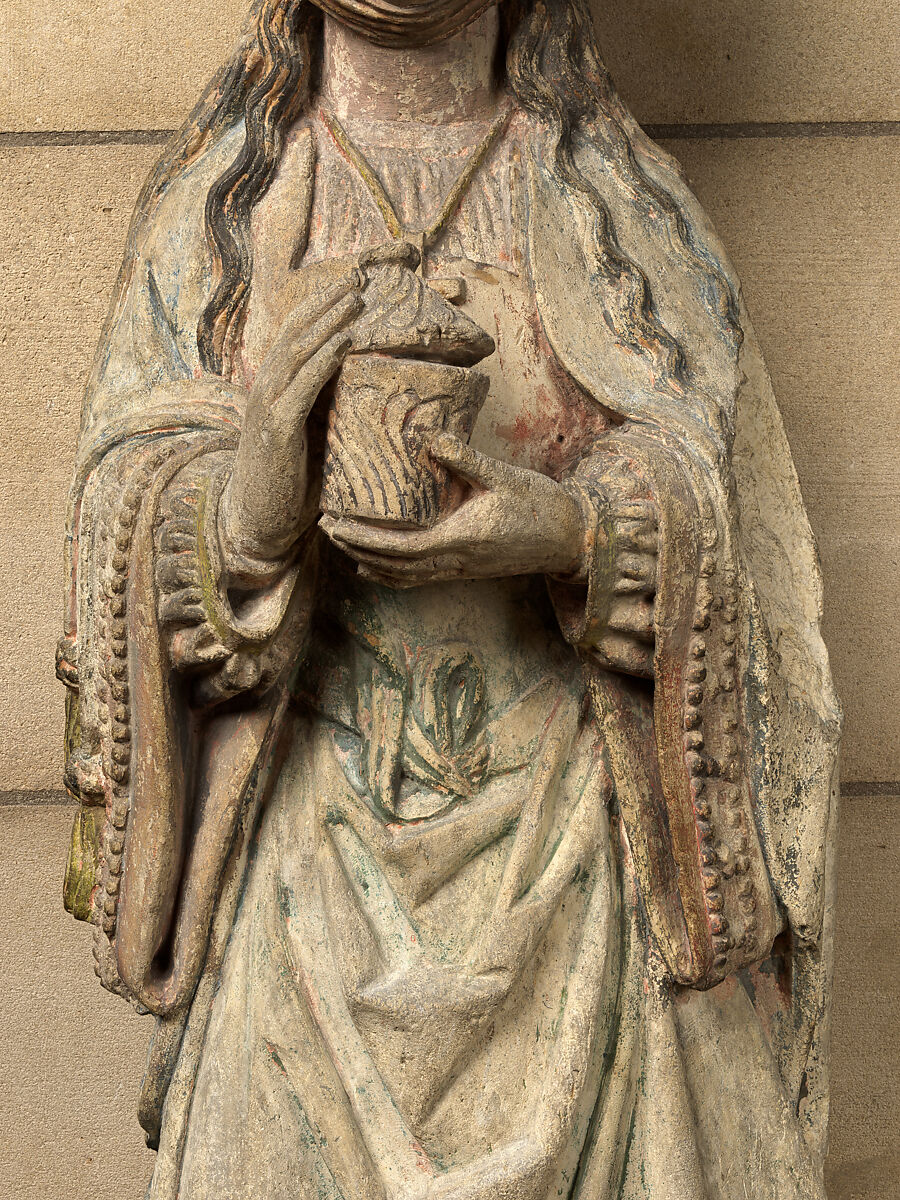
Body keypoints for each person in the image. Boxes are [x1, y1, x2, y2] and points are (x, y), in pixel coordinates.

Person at [59, 2, 841, 1196]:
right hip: (307, 858)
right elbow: (125, 494)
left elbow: (721, 503)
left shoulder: (611, 205)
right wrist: (246, 510)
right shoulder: (222, 210)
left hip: (581, 862)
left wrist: (577, 530)